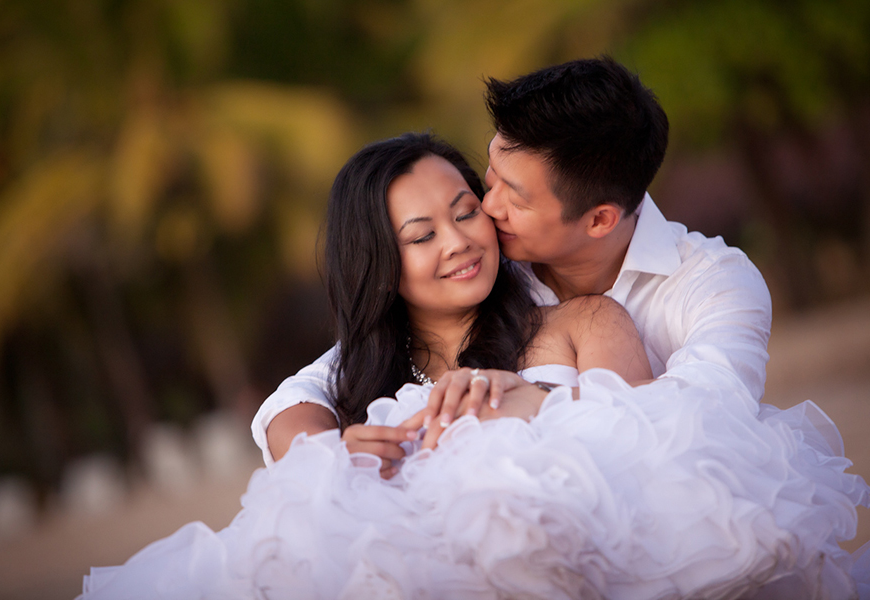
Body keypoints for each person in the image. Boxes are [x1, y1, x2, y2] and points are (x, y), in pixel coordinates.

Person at [78, 133, 868, 599]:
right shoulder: (361, 374)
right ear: (380, 265)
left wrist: (527, 398)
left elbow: (668, 463)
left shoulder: (583, 319)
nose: (459, 241)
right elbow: (290, 405)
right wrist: (320, 452)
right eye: (421, 236)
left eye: (466, 211)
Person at [253, 56, 772, 467]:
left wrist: (541, 403)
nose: (487, 207)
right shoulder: (482, 269)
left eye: (514, 197)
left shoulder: (712, 284)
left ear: (599, 220)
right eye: (490, 174)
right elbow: (313, 386)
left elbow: (710, 416)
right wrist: (323, 455)